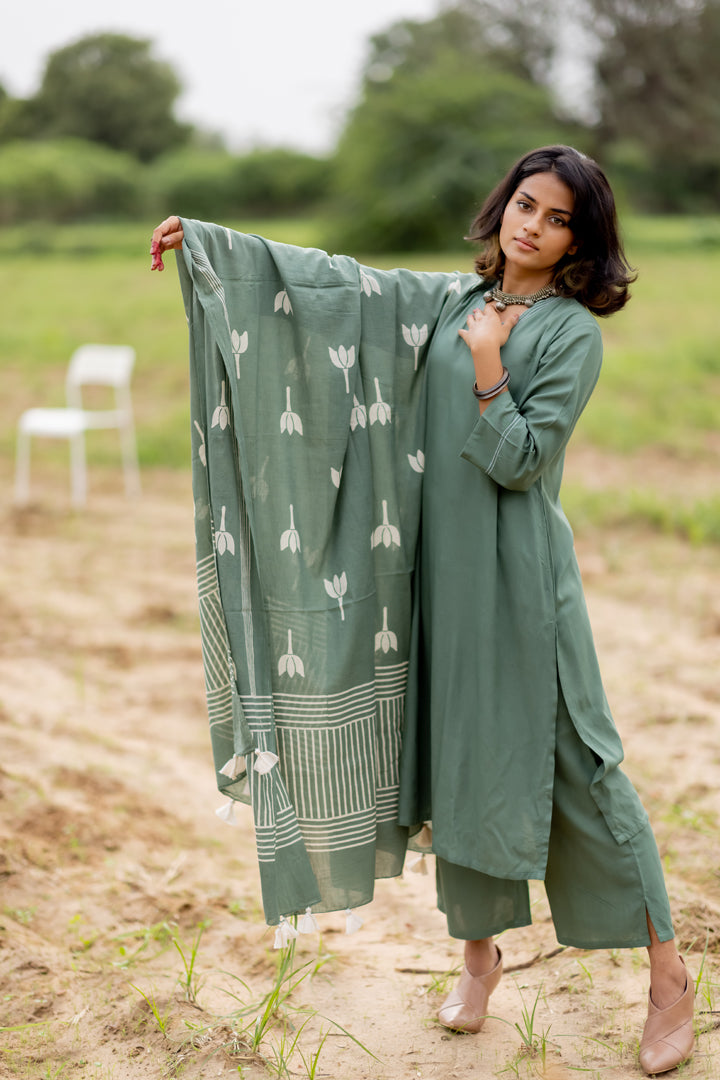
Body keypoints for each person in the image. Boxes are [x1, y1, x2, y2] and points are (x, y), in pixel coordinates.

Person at [152, 145, 694, 1075]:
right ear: (504, 206)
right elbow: (338, 288)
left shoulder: (570, 335)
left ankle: (670, 978)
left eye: (559, 218)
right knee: (457, 759)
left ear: (582, 241)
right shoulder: (449, 302)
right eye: (526, 204)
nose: (534, 226)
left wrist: (488, 367)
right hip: (437, 574)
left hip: (521, 584)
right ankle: (478, 963)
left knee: (586, 764)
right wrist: (214, 245)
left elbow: (522, 462)